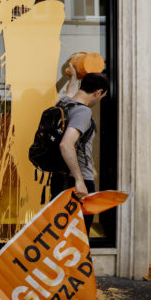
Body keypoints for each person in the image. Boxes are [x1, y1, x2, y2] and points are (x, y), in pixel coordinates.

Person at [50, 63, 109, 236]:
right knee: (78, 237)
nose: (99, 100)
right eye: (101, 96)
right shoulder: (83, 112)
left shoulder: (65, 103)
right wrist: (79, 180)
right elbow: (66, 144)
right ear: (97, 93)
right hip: (77, 184)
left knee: (61, 236)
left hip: (59, 180)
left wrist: (73, 77)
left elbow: (69, 91)